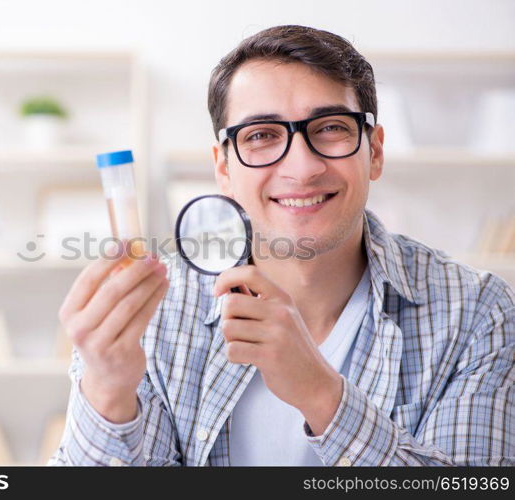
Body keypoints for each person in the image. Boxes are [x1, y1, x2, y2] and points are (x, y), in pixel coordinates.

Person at [49, 25, 515, 466]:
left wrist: (322, 396)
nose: (302, 167)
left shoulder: (476, 313)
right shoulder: (154, 313)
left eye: (331, 127)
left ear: (374, 151)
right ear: (224, 168)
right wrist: (108, 391)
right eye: (261, 136)